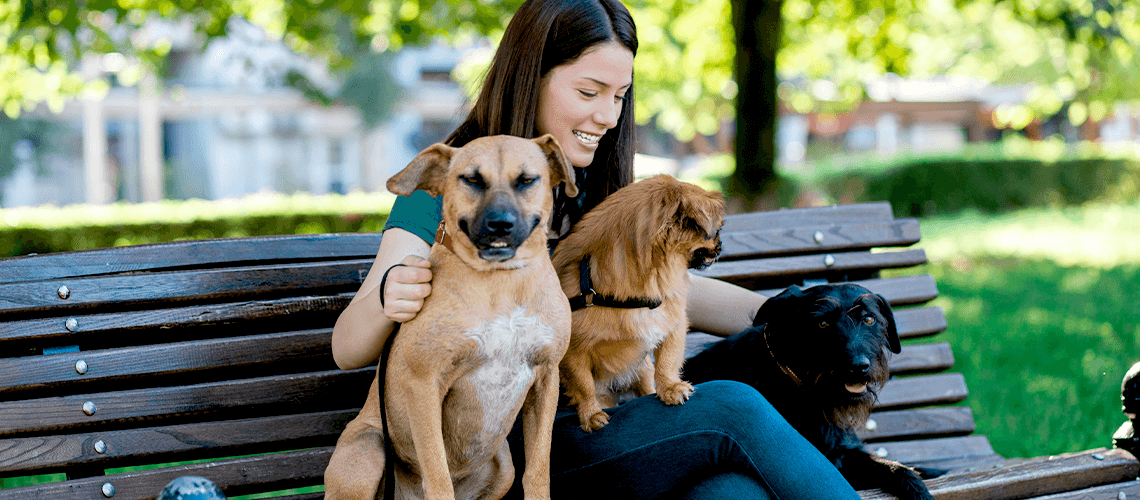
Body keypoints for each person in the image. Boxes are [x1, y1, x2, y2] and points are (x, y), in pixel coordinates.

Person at [331, 0, 862, 498]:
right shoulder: (455, 190)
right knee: (730, 405)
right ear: (531, 76)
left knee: (730, 493)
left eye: (619, 95)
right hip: (513, 451)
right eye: (589, 92)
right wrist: (387, 294)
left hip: (607, 424)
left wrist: (789, 313)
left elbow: (664, 293)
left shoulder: (590, 190)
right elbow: (348, 345)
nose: (608, 116)